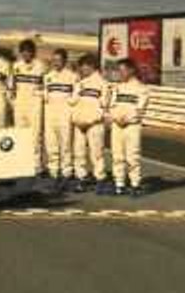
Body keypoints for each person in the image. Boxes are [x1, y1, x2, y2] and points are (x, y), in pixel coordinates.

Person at [107, 58, 151, 197]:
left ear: (131, 70)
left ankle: (135, 185)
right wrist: (115, 118)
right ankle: (119, 184)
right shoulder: (117, 88)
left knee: (132, 156)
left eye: (122, 70)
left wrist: (126, 119)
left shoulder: (142, 88)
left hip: (132, 126)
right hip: (117, 126)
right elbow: (111, 106)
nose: (120, 73)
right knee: (117, 156)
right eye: (119, 70)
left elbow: (140, 109)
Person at [71, 53, 113, 193]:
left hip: (95, 123)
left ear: (92, 66)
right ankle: (80, 178)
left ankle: (100, 179)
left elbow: (105, 105)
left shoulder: (103, 83)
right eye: (81, 67)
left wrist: (94, 119)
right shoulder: (80, 83)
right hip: (79, 123)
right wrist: (75, 118)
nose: (82, 69)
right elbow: (73, 102)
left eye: (84, 66)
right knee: (79, 152)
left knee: (96, 153)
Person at [43, 48, 78, 190]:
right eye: (54, 60)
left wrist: (69, 105)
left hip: (65, 115)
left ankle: (66, 174)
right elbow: (45, 96)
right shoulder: (48, 77)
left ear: (65, 61)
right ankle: (53, 173)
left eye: (59, 60)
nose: (56, 62)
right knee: (51, 146)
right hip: (50, 115)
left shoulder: (72, 76)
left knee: (66, 146)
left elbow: (76, 96)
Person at [11, 38, 47, 175]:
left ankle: (37, 166)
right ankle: (21, 164)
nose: (27, 54)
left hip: (35, 105)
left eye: (29, 52)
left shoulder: (41, 66)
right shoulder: (16, 66)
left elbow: (45, 86)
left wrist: (40, 98)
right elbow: (11, 87)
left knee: (36, 135)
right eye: (24, 52)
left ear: (33, 52)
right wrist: (13, 102)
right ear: (21, 53)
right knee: (19, 134)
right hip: (20, 104)